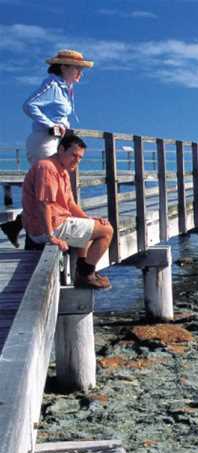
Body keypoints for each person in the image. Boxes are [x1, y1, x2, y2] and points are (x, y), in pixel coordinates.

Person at [2, 49, 94, 247]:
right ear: (64, 67)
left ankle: (18, 227)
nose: (80, 73)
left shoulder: (64, 88)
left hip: (52, 141)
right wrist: (50, 125)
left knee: (47, 190)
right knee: (45, 192)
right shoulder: (52, 84)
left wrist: (62, 126)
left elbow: (58, 114)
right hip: (44, 141)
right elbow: (29, 106)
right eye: (77, 68)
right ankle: (43, 235)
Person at [21, 132, 113, 289]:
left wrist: (88, 219)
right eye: (74, 155)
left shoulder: (62, 170)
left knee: (92, 226)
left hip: (53, 223)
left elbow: (69, 203)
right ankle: (85, 275)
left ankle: (83, 272)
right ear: (61, 149)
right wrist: (51, 236)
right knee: (107, 231)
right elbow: (44, 204)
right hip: (45, 228)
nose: (77, 161)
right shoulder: (47, 168)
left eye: (80, 158)